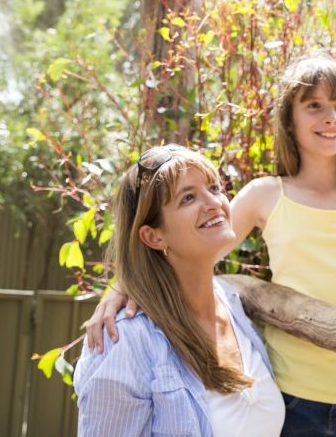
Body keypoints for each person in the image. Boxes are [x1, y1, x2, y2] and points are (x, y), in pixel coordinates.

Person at [86, 56, 336, 436]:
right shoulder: (265, 196)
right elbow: (189, 251)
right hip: (291, 393)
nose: (331, 117)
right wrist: (120, 289)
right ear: (289, 121)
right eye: (314, 106)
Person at [74, 145, 285, 437]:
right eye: (188, 198)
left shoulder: (233, 305)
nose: (213, 202)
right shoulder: (124, 342)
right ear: (153, 235)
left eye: (214, 187)